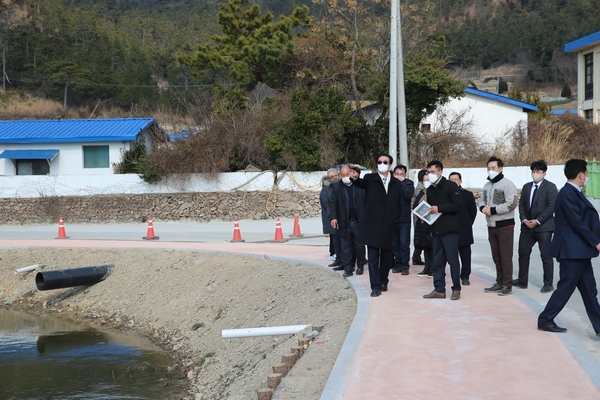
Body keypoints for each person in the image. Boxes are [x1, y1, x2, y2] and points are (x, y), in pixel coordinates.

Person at [538, 159, 600, 335]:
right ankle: (545, 319)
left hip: (579, 251)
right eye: (586, 174)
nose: (587, 177)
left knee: (589, 290)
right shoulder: (566, 194)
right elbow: (577, 222)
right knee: (566, 287)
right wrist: (596, 241)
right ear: (581, 174)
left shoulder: (574, 192)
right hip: (572, 251)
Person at [350, 154, 412, 297]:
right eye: (379, 162)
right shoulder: (370, 179)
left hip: (389, 225)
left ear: (390, 164)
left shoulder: (397, 183)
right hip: (372, 225)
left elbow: (399, 202)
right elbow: (361, 184)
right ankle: (375, 286)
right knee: (372, 256)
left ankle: (384, 280)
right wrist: (354, 178)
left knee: (386, 256)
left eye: (385, 162)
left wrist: (394, 216)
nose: (382, 164)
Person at [514, 160, 558, 293]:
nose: (535, 173)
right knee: (523, 252)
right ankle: (522, 280)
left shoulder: (550, 187)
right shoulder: (527, 187)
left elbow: (552, 207)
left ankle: (548, 283)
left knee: (546, 255)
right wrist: (524, 219)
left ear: (544, 173)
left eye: (538, 171)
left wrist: (537, 221)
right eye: (533, 170)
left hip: (544, 227)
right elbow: (521, 205)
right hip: (527, 227)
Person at [421, 160, 463, 300]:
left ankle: (456, 288)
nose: (430, 174)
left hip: (449, 230)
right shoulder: (431, 189)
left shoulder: (450, 186)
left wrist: (439, 208)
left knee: (452, 261)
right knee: (437, 261)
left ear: (440, 172)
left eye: (433, 172)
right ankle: (439, 289)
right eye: (428, 172)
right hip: (436, 230)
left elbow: (457, 205)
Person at [478, 156, 518, 296]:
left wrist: (493, 210)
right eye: (488, 168)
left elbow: (511, 203)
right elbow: (481, 200)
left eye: (493, 168)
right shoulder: (487, 185)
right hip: (491, 226)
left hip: (505, 226)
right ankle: (499, 282)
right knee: (496, 256)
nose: (490, 171)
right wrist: (483, 208)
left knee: (505, 257)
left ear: (500, 169)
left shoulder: (507, 184)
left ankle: (507, 285)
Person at [330, 165, 367, 277]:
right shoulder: (337, 187)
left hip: (358, 221)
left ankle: (360, 265)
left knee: (359, 246)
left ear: (351, 173)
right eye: (343, 175)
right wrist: (333, 217)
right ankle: (348, 268)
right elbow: (333, 203)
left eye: (347, 174)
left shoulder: (360, 185)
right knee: (346, 246)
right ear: (340, 176)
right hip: (344, 221)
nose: (345, 177)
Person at [448, 172, 477, 286]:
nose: (454, 181)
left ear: (460, 181)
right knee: (451, 256)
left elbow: (473, 212)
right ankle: (453, 276)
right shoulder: (446, 195)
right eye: (451, 180)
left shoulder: (467, 195)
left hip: (464, 229)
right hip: (450, 229)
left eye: (456, 179)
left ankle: (465, 276)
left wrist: (468, 223)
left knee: (465, 256)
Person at [392, 164, 415, 275]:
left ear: (405, 175)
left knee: (404, 243)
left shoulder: (408, 183)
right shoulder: (389, 184)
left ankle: (405, 265)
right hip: (392, 218)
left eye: (401, 174)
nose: (399, 176)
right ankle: (398, 263)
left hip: (404, 218)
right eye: (397, 174)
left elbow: (408, 195)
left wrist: (400, 183)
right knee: (394, 243)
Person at [414, 169, 433, 278]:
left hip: (431, 222)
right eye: (424, 180)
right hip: (421, 222)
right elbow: (415, 204)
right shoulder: (421, 191)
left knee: (432, 247)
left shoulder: (434, 192)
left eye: (428, 180)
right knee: (425, 246)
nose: (426, 182)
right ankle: (427, 268)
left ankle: (433, 269)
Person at [320, 168, 341, 267]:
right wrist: (332, 217)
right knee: (335, 239)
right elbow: (327, 205)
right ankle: (338, 258)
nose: (331, 179)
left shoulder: (339, 186)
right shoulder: (326, 188)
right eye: (329, 177)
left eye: (333, 176)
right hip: (333, 218)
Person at [412, 169, 427, 266]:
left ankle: (416, 256)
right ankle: (416, 257)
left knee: (421, 236)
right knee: (420, 236)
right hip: (420, 215)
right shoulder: (420, 188)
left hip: (423, 214)